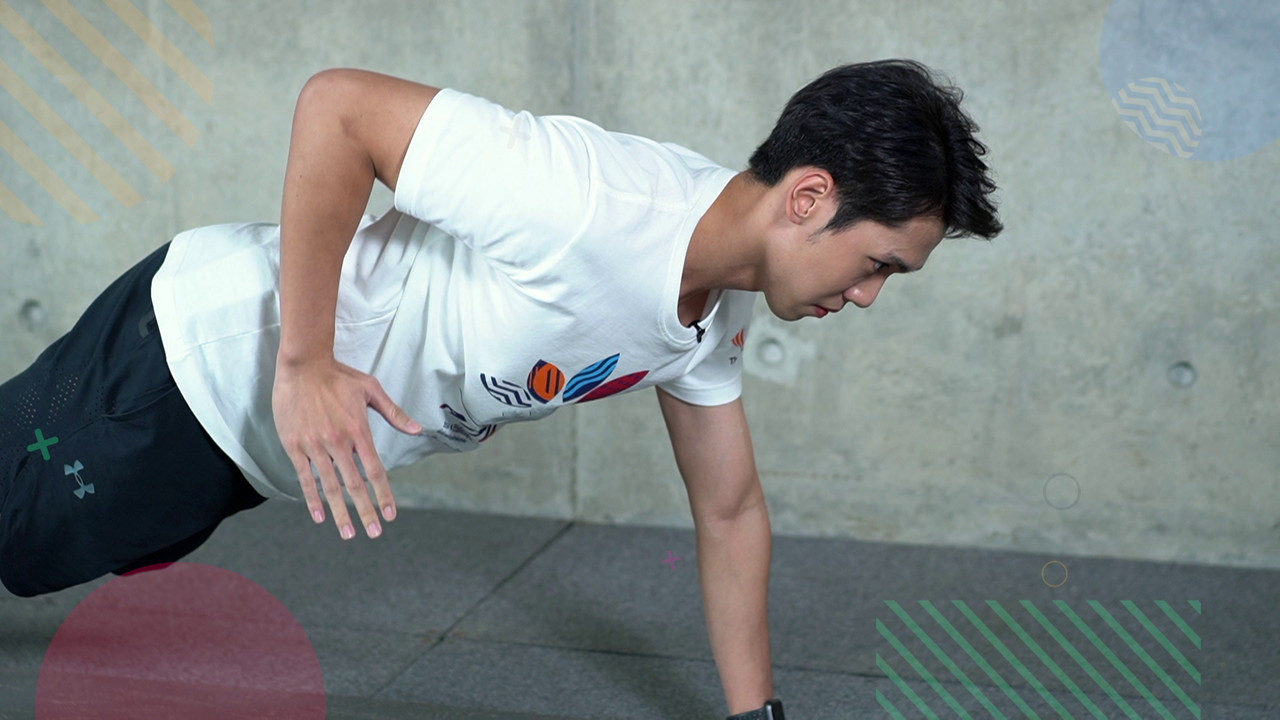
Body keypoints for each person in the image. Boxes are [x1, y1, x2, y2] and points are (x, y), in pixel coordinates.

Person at [0, 58, 1001, 719]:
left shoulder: (716, 305)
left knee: (49, 550)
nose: (866, 296)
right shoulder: (587, 199)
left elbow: (730, 511)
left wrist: (757, 716)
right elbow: (339, 107)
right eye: (876, 264)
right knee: (21, 540)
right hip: (192, 361)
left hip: (253, 445)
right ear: (810, 197)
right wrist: (305, 363)